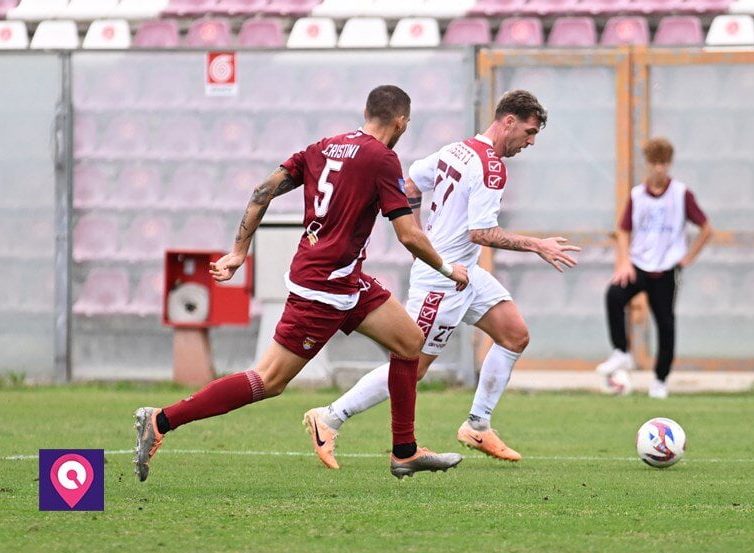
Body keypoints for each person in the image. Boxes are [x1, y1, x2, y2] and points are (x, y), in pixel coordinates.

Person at [133, 85, 471, 481]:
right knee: (269, 380)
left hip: (347, 278)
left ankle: (404, 451)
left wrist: (239, 251)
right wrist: (449, 269)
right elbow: (409, 235)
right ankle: (161, 420)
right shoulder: (383, 159)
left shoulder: (322, 147)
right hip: (322, 288)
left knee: (409, 342)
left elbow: (261, 191)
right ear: (401, 121)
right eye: (406, 124)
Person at [302, 90, 581, 469]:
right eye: (529, 132)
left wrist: (421, 239)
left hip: (465, 272)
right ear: (508, 121)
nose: (530, 142)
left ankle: (478, 425)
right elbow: (481, 234)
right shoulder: (492, 167)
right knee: (411, 366)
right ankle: (331, 416)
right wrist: (537, 244)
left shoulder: (458, 149)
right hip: (443, 280)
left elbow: (412, 182)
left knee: (514, 334)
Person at [595, 137, 712, 399]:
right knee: (614, 295)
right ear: (647, 164)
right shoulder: (637, 195)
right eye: (655, 162)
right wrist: (625, 261)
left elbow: (706, 228)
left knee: (666, 323)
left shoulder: (681, 194)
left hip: (667, 268)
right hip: (639, 264)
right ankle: (621, 352)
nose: (659, 168)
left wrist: (688, 258)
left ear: (669, 164)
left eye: (664, 163)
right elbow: (623, 229)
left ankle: (660, 380)